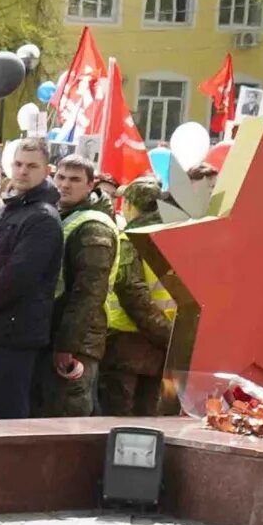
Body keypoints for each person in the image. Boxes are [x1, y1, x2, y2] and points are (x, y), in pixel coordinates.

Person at [0, 140, 63, 418]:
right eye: (19, 164)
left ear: (46, 170)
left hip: (16, 335)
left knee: (7, 419)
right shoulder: (6, 210)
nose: (23, 171)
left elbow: (18, 276)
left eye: (32, 166)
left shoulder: (44, 219)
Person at [100, 177, 180, 416]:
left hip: (126, 344)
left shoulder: (131, 239)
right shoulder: (175, 239)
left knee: (118, 421)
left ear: (130, 205)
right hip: (161, 343)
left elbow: (133, 295)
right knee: (149, 420)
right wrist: (170, 337)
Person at [48, 152, 119, 416]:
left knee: (68, 420)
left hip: (79, 345)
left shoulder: (94, 227)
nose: (65, 185)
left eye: (75, 179)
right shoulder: (63, 214)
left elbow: (88, 294)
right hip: (62, 337)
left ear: (91, 185)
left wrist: (67, 346)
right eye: (61, 177)